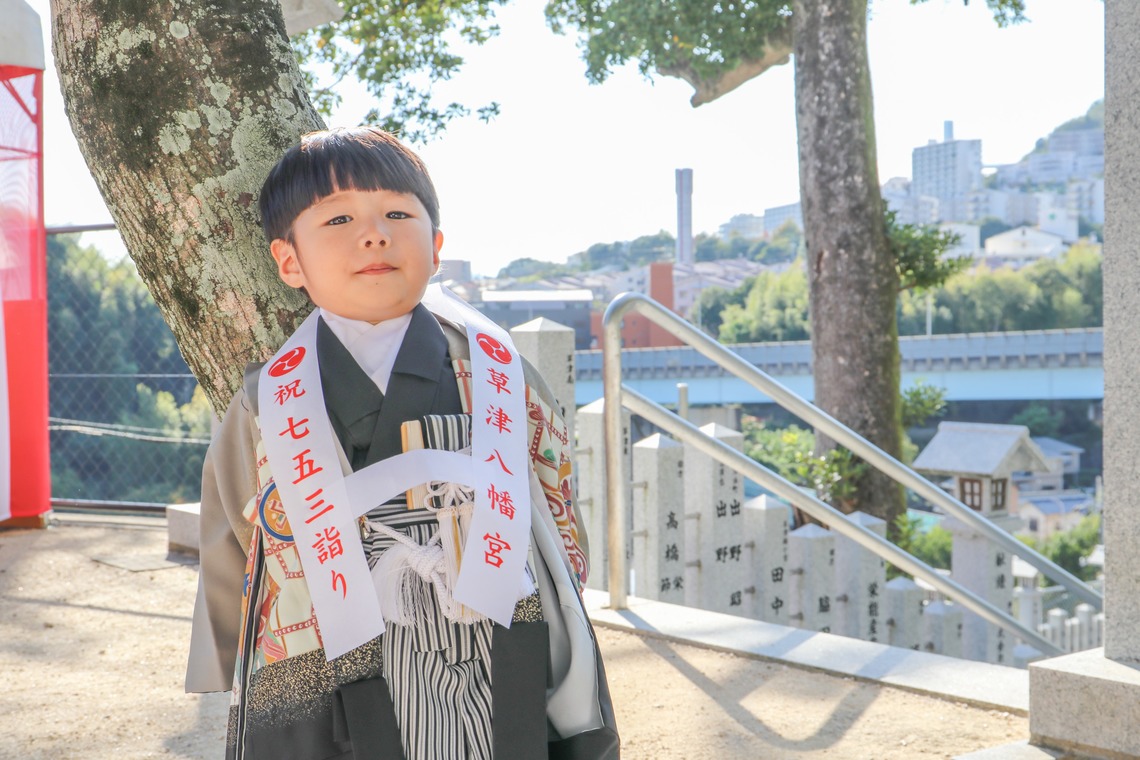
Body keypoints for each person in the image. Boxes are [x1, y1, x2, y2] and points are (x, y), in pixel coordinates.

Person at [186, 126, 619, 760]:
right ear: (289, 262)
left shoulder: (499, 375)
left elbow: (554, 502)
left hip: (491, 635)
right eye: (337, 219)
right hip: (329, 647)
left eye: (397, 213)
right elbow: (235, 527)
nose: (374, 233)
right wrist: (228, 647)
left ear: (436, 245)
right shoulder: (267, 399)